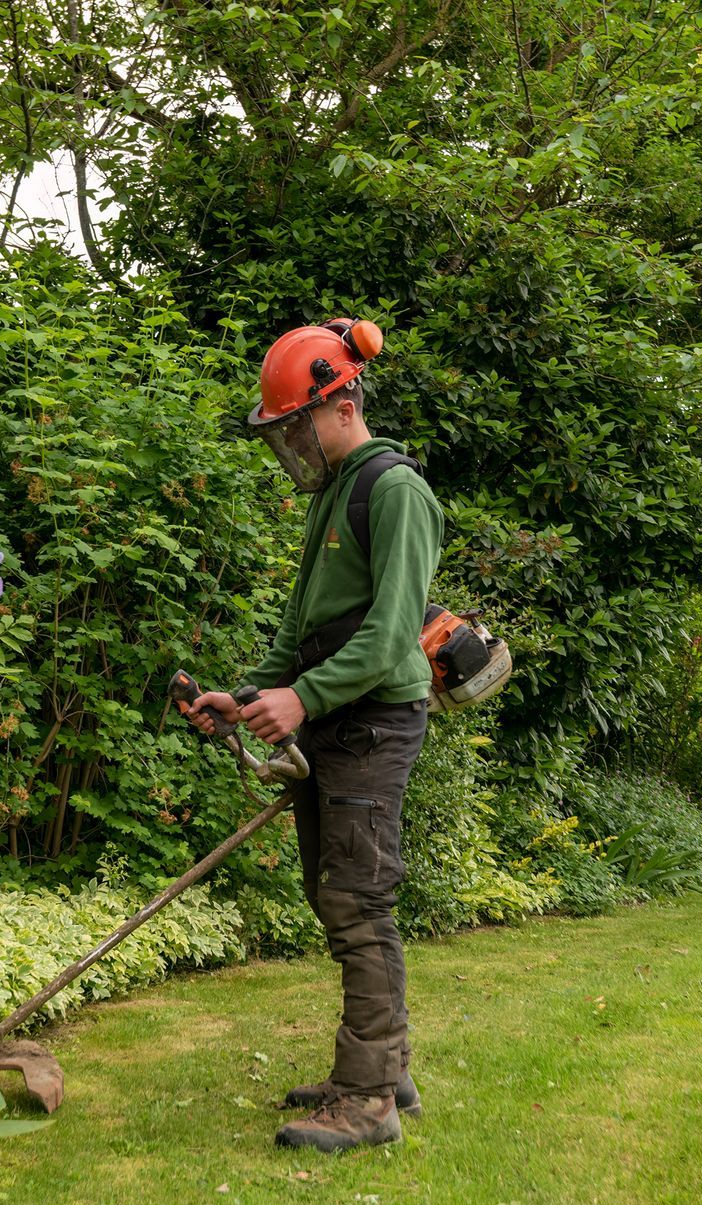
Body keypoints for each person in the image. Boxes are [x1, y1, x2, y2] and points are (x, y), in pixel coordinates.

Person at [187, 319, 443, 1153]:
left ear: (341, 401)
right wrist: (252, 694)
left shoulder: (395, 490)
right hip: (330, 716)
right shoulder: (335, 489)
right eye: (282, 431)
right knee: (334, 897)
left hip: (373, 721)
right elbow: (301, 623)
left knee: (357, 902)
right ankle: (386, 1068)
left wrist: (301, 700)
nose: (289, 442)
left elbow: (390, 634)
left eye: (295, 424)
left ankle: (369, 1102)